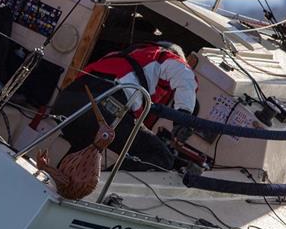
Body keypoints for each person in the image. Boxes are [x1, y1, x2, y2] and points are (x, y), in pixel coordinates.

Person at [52, 42, 199, 172]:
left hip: (68, 102)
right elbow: (185, 77)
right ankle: (95, 189)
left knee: (84, 147)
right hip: (103, 107)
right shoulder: (164, 56)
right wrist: (183, 117)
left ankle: (61, 181)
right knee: (160, 156)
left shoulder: (122, 55)